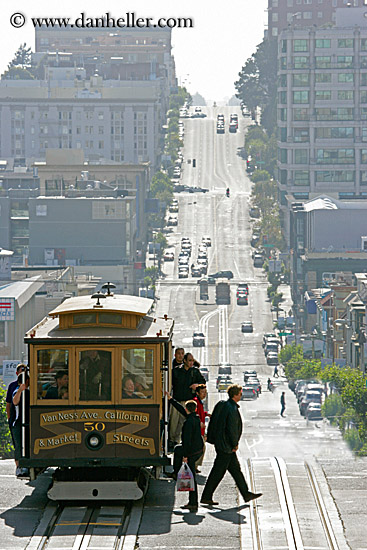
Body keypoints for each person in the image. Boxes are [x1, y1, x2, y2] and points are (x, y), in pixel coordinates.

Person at [201, 384, 262, 506]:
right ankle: (206, 496)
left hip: (221, 443)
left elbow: (214, 422)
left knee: (236, 470)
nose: (241, 395)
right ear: (235, 395)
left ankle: (246, 493)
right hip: (227, 446)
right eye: (240, 393)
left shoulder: (223, 404)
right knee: (218, 472)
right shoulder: (232, 408)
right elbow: (232, 429)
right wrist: (234, 444)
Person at [165, 393, 203, 512]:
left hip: (191, 451)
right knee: (177, 449)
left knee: (191, 477)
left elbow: (187, 441)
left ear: (187, 409)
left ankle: (193, 502)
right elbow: (182, 410)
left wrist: (186, 456)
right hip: (198, 449)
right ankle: (176, 472)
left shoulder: (188, 423)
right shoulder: (195, 418)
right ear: (195, 409)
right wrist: (171, 400)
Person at [169, 353, 206, 448]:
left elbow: (203, 382)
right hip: (177, 400)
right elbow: (170, 383)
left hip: (189, 402)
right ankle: (172, 440)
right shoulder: (176, 371)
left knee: (183, 422)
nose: (191, 362)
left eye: (192, 360)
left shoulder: (195, 371)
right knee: (173, 422)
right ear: (184, 361)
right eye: (189, 360)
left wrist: (196, 385)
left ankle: (178, 441)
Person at [10, 372, 30, 477]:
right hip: (18, 423)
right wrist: (20, 391)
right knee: (18, 446)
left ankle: (25, 465)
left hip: (27, 423)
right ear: (26, 381)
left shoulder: (29, 393)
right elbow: (14, 402)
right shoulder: (16, 391)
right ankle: (18, 467)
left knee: (26, 444)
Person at [193, 384, 210, 472]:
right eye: (202, 392)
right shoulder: (196, 401)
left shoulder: (199, 402)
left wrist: (206, 414)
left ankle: (195, 465)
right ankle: (194, 465)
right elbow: (195, 413)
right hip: (198, 430)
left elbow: (201, 412)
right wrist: (199, 423)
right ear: (197, 393)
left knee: (201, 448)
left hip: (201, 430)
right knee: (201, 448)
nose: (204, 394)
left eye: (205, 392)